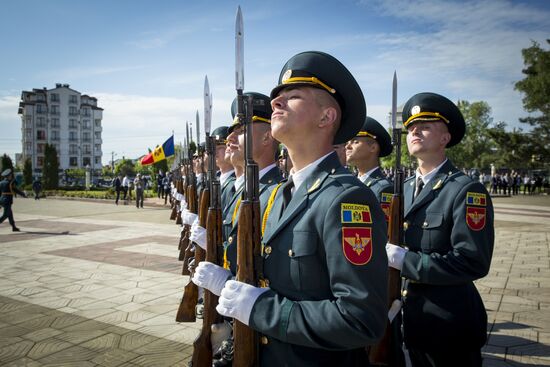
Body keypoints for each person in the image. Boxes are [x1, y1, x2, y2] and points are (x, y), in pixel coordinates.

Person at [193, 51, 388, 366]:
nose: (276, 103)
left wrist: (261, 309)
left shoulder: (347, 199)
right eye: (276, 98)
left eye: (293, 96)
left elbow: (361, 318)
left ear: (326, 117)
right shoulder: (276, 197)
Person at [386, 92, 494, 367]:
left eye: (424, 126)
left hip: (449, 323)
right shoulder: (405, 189)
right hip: (412, 318)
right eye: (410, 128)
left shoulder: (466, 190)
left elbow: (472, 261)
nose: (414, 132)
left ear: (445, 138)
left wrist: (404, 260)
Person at [345, 116, 393, 220]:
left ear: (373, 148)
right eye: (347, 142)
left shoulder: (384, 189)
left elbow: (385, 232)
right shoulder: (350, 182)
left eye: (355, 141)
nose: (347, 146)